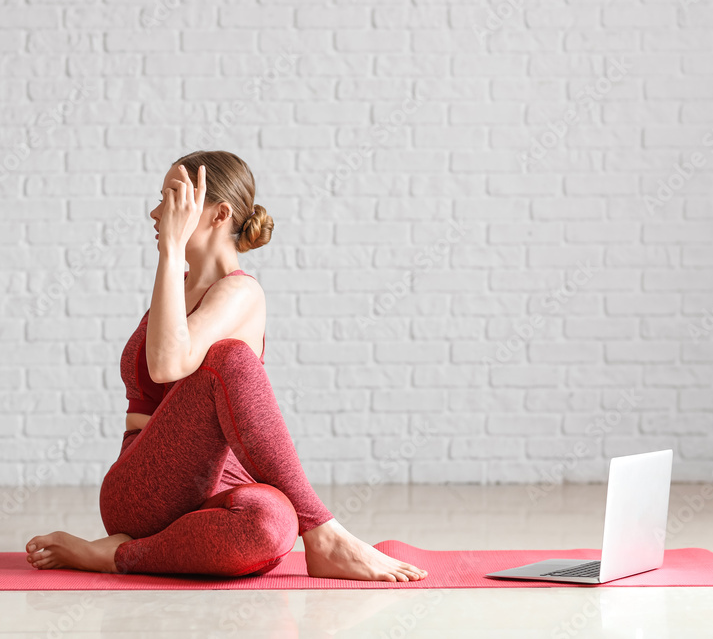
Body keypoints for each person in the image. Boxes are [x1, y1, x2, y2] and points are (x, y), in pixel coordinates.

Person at [25, 150, 427, 582]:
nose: (156, 211)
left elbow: (171, 363)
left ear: (219, 214)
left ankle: (118, 555)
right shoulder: (174, 285)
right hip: (144, 489)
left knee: (273, 526)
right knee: (228, 358)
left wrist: (172, 249)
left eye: (173, 199)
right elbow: (165, 366)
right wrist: (170, 252)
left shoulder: (240, 293)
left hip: (221, 490)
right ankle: (325, 535)